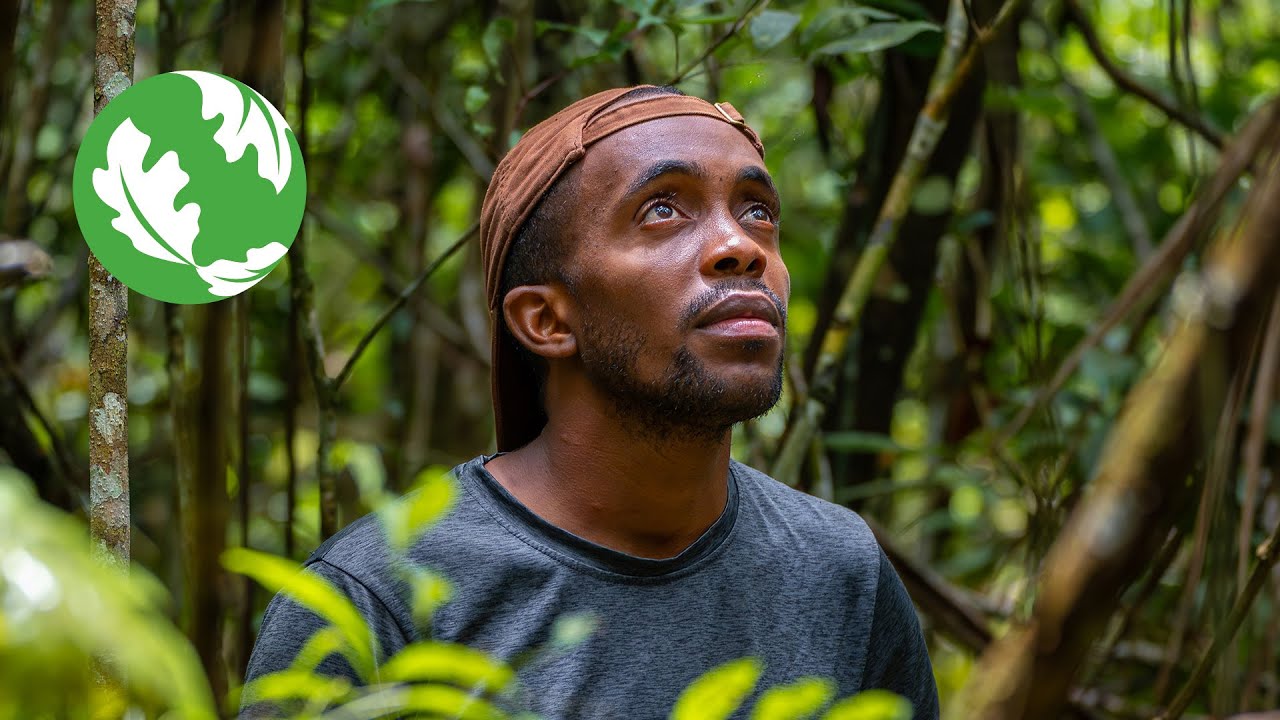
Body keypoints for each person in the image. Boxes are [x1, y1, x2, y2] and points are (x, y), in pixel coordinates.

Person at [242, 85, 939, 719]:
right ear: (547, 320)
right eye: (663, 209)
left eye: (757, 212)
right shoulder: (373, 602)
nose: (740, 246)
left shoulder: (842, 571)